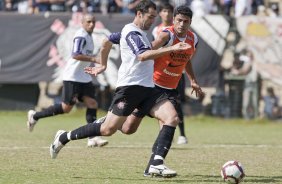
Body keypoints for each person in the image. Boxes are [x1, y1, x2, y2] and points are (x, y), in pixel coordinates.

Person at [49, 0, 192, 177]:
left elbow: (106, 41)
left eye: (154, 17)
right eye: (150, 17)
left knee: (170, 118)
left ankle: (155, 164)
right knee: (108, 130)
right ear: (139, 14)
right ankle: (64, 137)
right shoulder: (133, 33)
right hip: (130, 88)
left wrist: (102, 64)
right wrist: (173, 48)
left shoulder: (134, 31)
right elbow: (142, 56)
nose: (152, 21)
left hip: (148, 88)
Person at [91, 4, 204, 177]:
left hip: (170, 89)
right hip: (153, 86)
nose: (181, 24)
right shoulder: (166, 34)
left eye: (186, 21)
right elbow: (147, 50)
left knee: (167, 123)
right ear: (174, 20)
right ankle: (109, 120)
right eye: (179, 20)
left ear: (190, 23)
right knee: (129, 128)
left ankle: (155, 164)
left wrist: (193, 80)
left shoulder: (193, 39)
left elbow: (187, 58)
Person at [27, 14, 108, 147]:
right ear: (82, 23)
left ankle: (92, 137)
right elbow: (75, 54)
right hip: (73, 77)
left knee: (92, 103)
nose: (91, 24)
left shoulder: (89, 36)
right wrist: (94, 59)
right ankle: (35, 116)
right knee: (66, 108)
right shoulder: (81, 35)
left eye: (93, 22)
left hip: (83, 77)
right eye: (88, 22)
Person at [152, 2, 188, 145]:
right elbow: (154, 51)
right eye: (164, 11)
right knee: (161, 104)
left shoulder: (183, 31)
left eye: (169, 11)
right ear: (160, 13)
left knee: (177, 104)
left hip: (178, 73)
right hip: (161, 74)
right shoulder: (158, 31)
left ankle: (183, 135)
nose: (166, 14)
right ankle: (165, 134)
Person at [231, 49, 259, 119]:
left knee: (254, 103)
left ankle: (254, 118)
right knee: (246, 103)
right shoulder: (248, 62)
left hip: (253, 84)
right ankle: (246, 117)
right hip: (248, 84)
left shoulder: (252, 62)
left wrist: (236, 72)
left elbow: (244, 70)